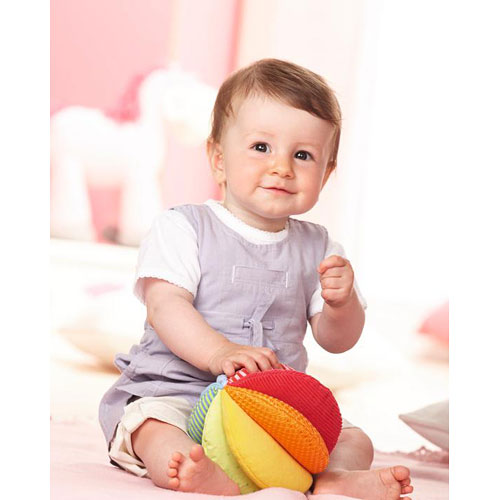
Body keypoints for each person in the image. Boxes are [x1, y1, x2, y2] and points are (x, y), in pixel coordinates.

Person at [99, 58, 413, 499]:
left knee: (351, 437)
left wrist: (343, 306)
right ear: (219, 159)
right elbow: (166, 305)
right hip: (178, 391)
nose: (282, 166)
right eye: (261, 147)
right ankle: (199, 469)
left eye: (302, 155)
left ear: (325, 174)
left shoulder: (321, 248)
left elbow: (336, 340)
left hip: (272, 406)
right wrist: (220, 352)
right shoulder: (183, 228)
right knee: (149, 425)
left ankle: (332, 478)